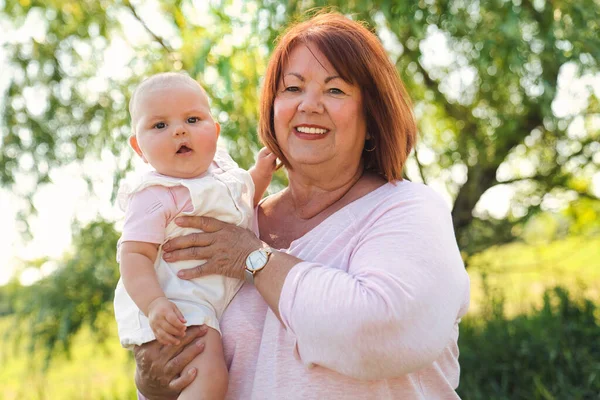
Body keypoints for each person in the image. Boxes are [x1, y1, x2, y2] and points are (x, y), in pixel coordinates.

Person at [133, 12, 471, 400]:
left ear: (372, 114)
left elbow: (383, 332)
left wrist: (255, 260)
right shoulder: (230, 223)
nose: (309, 105)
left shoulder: (408, 209)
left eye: (335, 90)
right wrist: (152, 383)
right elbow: (179, 340)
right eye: (292, 89)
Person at [114, 72, 276, 400]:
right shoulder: (155, 193)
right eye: (159, 125)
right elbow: (133, 256)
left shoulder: (224, 174)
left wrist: (261, 174)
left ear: (215, 132)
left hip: (205, 298)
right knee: (209, 376)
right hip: (175, 302)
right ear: (138, 147)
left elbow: (242, 205)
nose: (179, 130)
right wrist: (155, 304)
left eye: (192, 119)